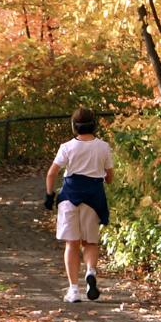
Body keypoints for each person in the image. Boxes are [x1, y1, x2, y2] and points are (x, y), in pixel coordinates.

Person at [44, 107, 114, 303]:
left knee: (71, 243)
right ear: (95, 124)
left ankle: (73, 291)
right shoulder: (103, 146)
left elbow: (52, 173)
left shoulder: (67, 147)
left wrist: (49, 196)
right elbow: (109, 178)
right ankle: (90, 271)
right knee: (90, 242)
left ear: (74, 126)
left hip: (69, 198)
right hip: (93, 198)